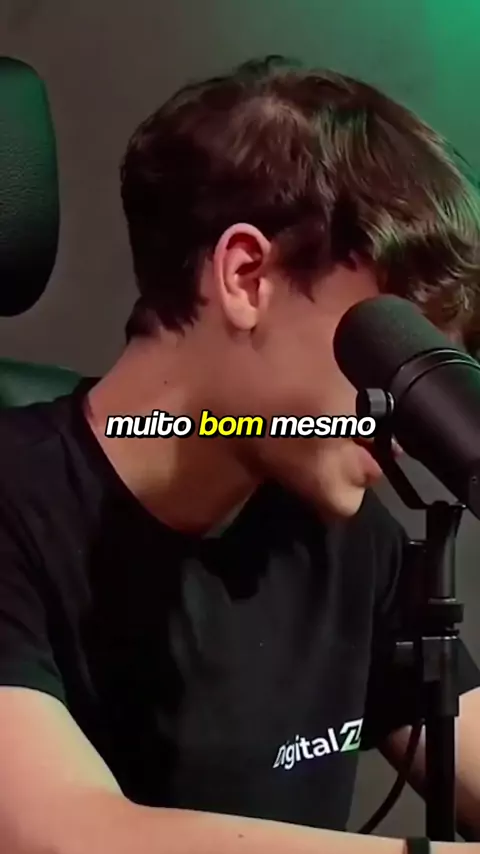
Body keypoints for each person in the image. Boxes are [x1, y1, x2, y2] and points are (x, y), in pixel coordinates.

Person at [1, 56, 480, 854]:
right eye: (393, 341)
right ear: (248, 276)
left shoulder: (347, 540)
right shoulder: (17, 508)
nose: (403, 420)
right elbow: (60, 833)